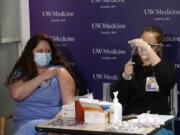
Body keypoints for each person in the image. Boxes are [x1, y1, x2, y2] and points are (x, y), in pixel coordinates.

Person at [5, 33, 76, 135]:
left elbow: (69, 107)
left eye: (48, 51)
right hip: (24, 124)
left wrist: (56, 125)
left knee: (38, 126)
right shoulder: (21, 72)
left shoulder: (60, 72)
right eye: (40, 51)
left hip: (52, 125)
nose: (44, 54)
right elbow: (16, 95)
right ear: (31, 53)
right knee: (33, 126)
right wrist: (43, 76)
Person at [111, 26, 176, 116]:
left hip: (157, 121)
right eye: (142, 44)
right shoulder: (131, 65)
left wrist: (147, 48)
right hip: (132, 120)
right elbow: (118, 99)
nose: (144, 49)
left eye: (150, 45)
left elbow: (167, 82)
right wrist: (125, 77)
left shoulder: (166, 66)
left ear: (158, 47)